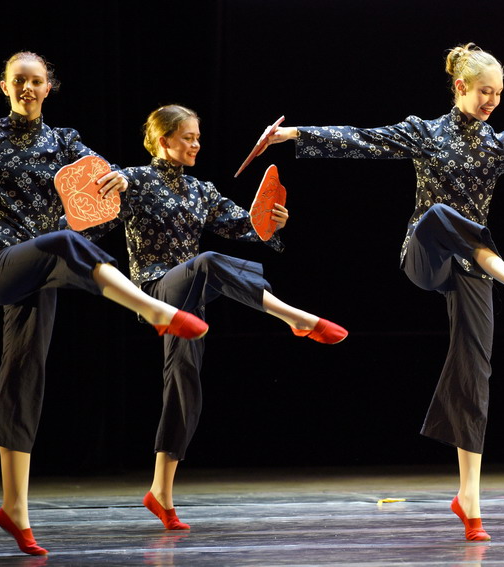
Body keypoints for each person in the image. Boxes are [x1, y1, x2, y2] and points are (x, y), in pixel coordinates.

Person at [259, 43, 504, 541]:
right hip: (425, 255)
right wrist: (293, 133)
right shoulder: (425, 132)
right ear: (460, 87)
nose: (493, 102)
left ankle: (469, 500)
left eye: (500, 94)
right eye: (485, 92)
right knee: (439, 215)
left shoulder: (502, 145)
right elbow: (362, 139)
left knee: (474, 368)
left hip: (475, 266)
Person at [0, 52, 208, 556]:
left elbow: (104, 178)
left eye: (36, 81)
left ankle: (15, 510)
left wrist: (122, 178)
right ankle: (154, 311)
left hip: (42, 277)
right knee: (62, 241)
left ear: (50, 87)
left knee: (25, 372)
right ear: (4, 87)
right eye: (18, 81)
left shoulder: (65, 142)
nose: (28, 88)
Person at [82, 104, 348, 531]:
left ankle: (161, 493)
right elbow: (96, 205)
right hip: (154, 290)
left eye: (198, 137)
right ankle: (293, 317)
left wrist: (271, 224)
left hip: (190, 301)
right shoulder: (136, 179)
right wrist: (119, 182)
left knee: (184, 382)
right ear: (164, 139)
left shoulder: (200, 191)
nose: (196, 144)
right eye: (188, 137)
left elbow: (247, 227)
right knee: (207, 261)